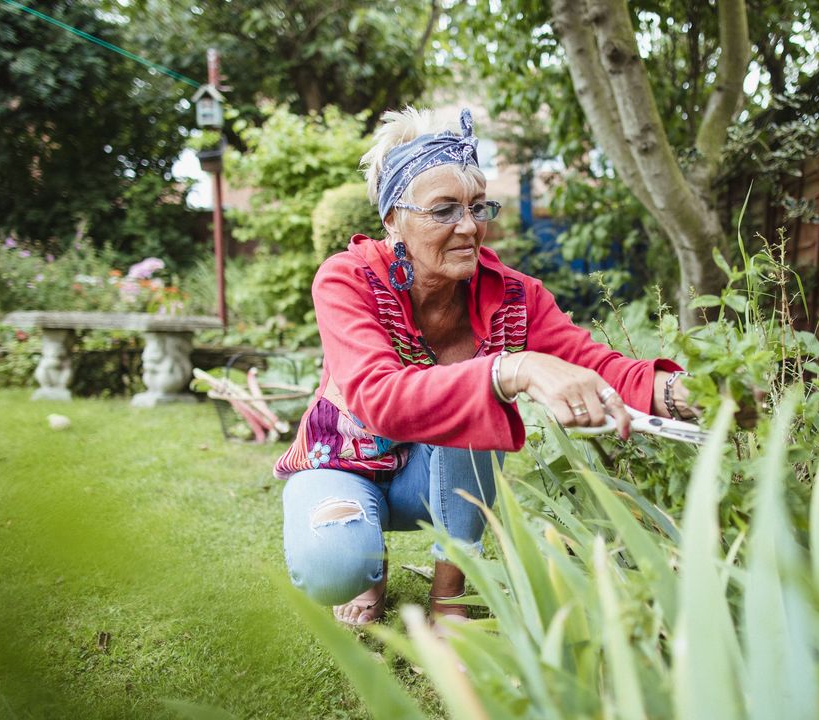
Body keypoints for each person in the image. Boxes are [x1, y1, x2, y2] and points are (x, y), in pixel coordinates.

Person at [276, 107, 696, 626]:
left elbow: (595, 364)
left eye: (478, 207)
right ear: (392, 219)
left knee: (474, 414)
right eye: (444, 210)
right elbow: (378, 397)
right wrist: (511, 369)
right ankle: (367, 563)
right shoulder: (348, 281)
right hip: (340, 466)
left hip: (430, 482)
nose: (470, 227)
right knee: (336, 566)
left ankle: (450, 600)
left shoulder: (515, 295)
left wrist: (683, 392)